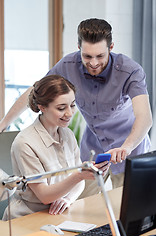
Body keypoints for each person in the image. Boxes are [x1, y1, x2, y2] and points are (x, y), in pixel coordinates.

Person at [0, 18, 152, 193]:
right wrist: (3, 124)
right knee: (81, 206)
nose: (93, 63)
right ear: (78, 47)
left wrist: (127, 147)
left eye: (100, 56)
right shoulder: (68, 65)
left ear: (111, 48)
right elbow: (36, 91)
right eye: (87, 56)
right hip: (92, 151)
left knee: (128, 209)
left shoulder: (130, 70)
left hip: (129, 149)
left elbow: (144, 117)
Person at [2, 74, 110, 220]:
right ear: (42, 107)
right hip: (28, 217)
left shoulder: (68, 135)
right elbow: (45, 196)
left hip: (60, 214)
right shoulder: (25, 143)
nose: (69, 113)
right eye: (61, 108)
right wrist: (79, 175)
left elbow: (79, 184)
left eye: (72, 105)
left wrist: (68, 199)